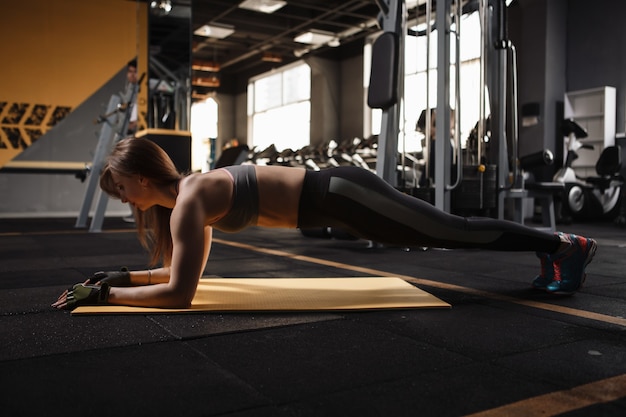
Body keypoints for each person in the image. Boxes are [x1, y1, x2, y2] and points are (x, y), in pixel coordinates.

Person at [52, 138, 597, 310]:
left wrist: (106, 297)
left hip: (338, 193)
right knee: (445, 233)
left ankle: (564, 243)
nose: (126, 199)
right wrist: (117, 278)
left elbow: (180, 296)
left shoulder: (192, 199)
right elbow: (174, 275)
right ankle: (559, 249)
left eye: (122, 188)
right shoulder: (190, 201)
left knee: (450, 231)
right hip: (337, 203)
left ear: (142, 178)